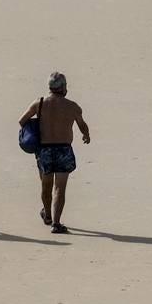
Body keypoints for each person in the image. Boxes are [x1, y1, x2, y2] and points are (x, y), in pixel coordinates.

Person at [17, 72, 90, 234]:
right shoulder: (72, 106)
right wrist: (86, 135)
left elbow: (22, 120)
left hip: (45, 149)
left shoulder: (40, 103)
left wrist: (39, 125)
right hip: (64, 149)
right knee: (60, 188)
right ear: (63, 87)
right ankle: (56, 224)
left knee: (46, 185)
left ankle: (48, 215)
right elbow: (82, 125)